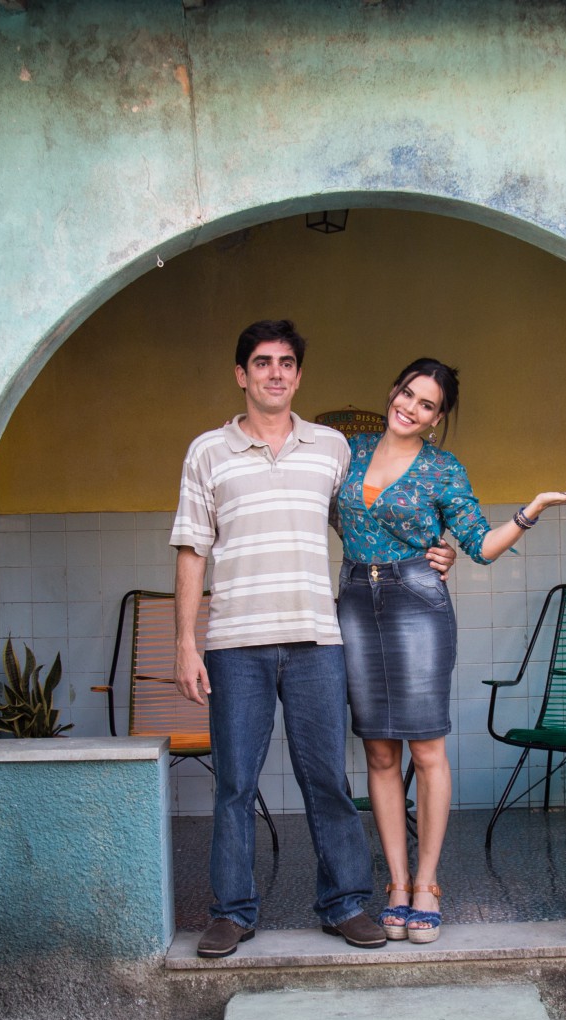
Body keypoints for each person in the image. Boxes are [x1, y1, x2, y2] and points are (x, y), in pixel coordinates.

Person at [170, 321, 453, 958]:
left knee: (325, 777)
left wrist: (436, 549)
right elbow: (192, 549)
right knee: (235, 783)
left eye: (287, 363)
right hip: (235, 641)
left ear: (299, 375)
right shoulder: (207, 452)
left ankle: (345, 902)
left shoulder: (332, 448)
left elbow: (371, 513)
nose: (275, 372)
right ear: (241, 374)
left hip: (316, 641)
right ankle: (231, 912)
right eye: (262, 362)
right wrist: (186, 643)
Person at [335, 358, 566, 942]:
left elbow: (478, 545)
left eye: (427, 405)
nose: (411, 407)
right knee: (379, 753)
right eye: (406, 393)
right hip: (353, 599)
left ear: (437, 418)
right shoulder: (347, 450)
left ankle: (427, 882)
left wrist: (533, 510)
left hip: (417, 601)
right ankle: (396, 883)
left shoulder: (443, 469)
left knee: (425, 748)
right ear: (393, 391)